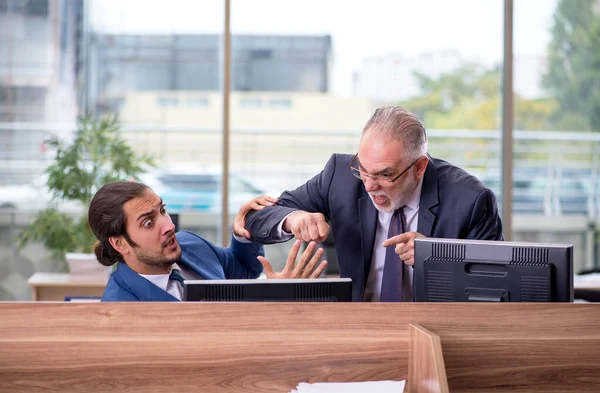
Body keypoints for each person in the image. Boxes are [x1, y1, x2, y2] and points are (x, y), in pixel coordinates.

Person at [241, 106, 503, 302]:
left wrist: (439, 260)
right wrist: (293, 217)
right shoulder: (340, 176)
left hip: (434, 330)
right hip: (356, 326)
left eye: (385, 175)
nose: (368, 185)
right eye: (363, 170)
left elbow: (494, 292)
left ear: (420, 167)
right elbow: (255, 219)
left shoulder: (471, 201)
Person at [89, 180, 327, 301]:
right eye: (148, 223)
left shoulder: (188, 245)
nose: (169, 226)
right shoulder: (119, 306)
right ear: (120, 243)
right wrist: (272, 301)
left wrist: (244, 232)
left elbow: (242, 270)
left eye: (162, 210)